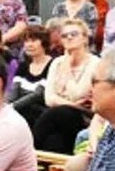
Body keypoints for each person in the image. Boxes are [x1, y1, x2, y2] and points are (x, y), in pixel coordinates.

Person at [33, 18, 98, 153]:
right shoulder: (56, 62)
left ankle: (29, 152)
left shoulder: (94, 64)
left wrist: (67, 68)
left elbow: (77, 94)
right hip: (58, 116)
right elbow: (49, 99)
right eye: (64, 35)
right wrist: (74, 104)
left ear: (85, 38)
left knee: (61, 112)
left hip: (83, 118)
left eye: (73, 34)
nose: (69, 38)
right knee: (54, 142)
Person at [7, 24, 55, 126]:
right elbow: (13, 93)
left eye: (33, 41)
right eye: (26, 41)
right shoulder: (22, 66)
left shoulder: (54, 64)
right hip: (20, 114)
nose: (29, 45)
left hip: (42, 115)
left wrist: (11, 107)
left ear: (44, 42)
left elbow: (38, 95)